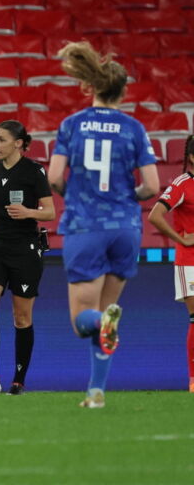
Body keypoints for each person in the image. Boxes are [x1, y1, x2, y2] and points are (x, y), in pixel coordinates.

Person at [48, 41, 160, 409]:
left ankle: (97, 381)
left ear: (91, 85)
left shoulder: (72, 125)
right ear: (122, 91)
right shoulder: (134, 129)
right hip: (126, 227)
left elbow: (53, 178)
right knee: (106, 319)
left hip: (86, 226)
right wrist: (130, 195)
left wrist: (76, 191)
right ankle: (96, 393)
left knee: (84, 320)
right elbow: (152, 187)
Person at [0, 120, 55, 396]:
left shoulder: (34, 171)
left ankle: (18, 381)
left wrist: (29, 212)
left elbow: (50, 212)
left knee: (21, 317)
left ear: (18, 143)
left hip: (24, 251)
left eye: (1, 140)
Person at [147, 134, 194, 392]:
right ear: (192, 157)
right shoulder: (182, 184)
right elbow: (156, 215)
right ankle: (193, 379)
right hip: (190, 262)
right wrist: (182, 240)